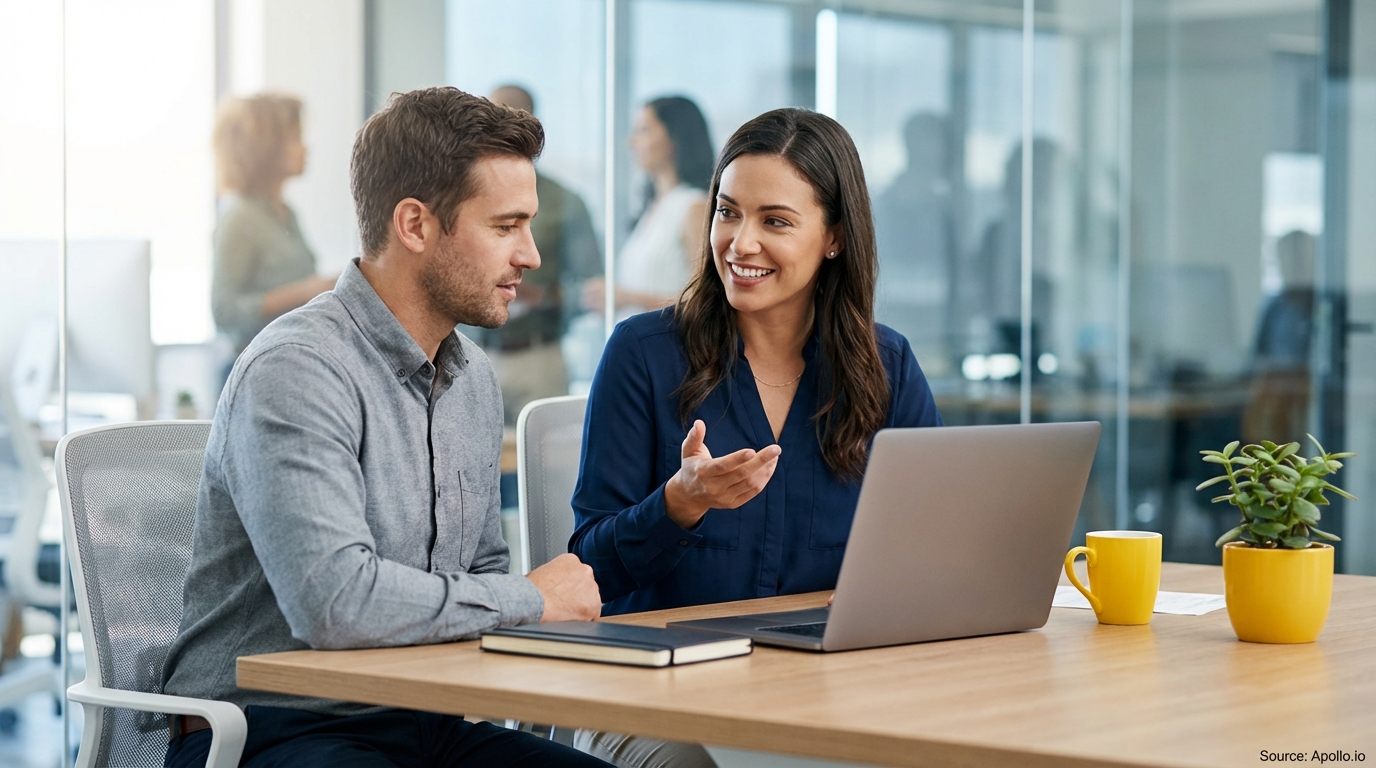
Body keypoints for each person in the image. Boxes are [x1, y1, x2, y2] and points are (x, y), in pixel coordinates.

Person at [161, 87, 608, 768]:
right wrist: (529, 598)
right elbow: (334, 604)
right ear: (416, 226)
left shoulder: (473, 381)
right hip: (273, 731)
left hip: (423, 721)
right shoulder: (298, 370)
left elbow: (480, 571)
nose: (532, 255)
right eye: (505, 226)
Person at [568, 108, 943, 767]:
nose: (740, 243)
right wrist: (677, 504)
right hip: (656, 695)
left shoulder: (888, 369)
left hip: (829, 698)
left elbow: (931, 566)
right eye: (727, 212)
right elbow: (586, 570)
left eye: (775, 221)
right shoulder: (642, 355)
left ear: (833, 238)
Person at [461, 84, 603, 425]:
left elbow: (593, 289)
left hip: (538, 357)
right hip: (472, 354)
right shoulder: (462, 197)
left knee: (546, 467)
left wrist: (544, 297)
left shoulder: (565, 201)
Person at [211, 94, 338, 354]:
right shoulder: (240, 217)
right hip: (257, 362)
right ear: (265, 147)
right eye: (294, 139)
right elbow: (224, 311)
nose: (305, 148)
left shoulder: (285, 212)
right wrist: (305, 291)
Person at [584, 96, 714, 317]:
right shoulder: (652, 208)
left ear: (675, 137)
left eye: (644, 131)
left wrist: (626, 298)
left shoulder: (694, 207)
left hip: (670, 346)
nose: (632, 142)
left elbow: (705, 303)